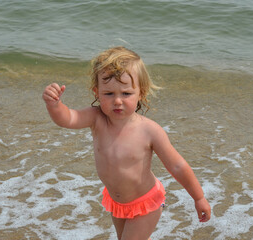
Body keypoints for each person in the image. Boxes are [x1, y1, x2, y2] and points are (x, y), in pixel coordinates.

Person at [42, 46, 211, 240]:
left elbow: (177, 165)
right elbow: (68, 118)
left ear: (141, 92)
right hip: (118, 203)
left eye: (126, 93)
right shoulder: (96, 119)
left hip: (146, 203)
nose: (117, 101)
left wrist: (199, 198)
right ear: (97, 92)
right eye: (109, 94)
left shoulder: (149, 131)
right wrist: (54, 105)